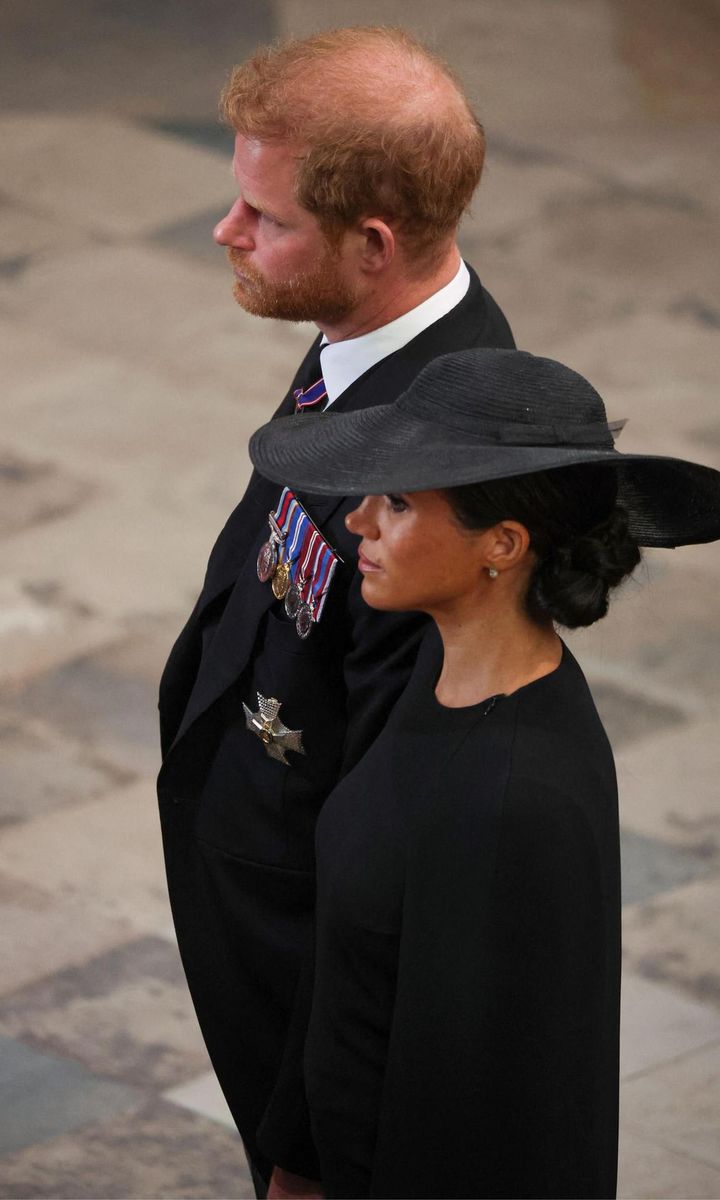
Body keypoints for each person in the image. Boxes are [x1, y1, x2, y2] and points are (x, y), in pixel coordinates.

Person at [157, 25, 514, 1199]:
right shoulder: (369, 337)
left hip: (301, 961)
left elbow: (385, 843)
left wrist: (306, 1141)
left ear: (374, 243)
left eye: (266, 219)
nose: (229, 233)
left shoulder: (436, 483)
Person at [248, 346, 720, 1199]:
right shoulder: (437, 679)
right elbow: (353, 970)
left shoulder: (514, 799)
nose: (357, 521)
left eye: (396, 501)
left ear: (502, 544)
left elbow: (483, 1124)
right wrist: (295, 1166)